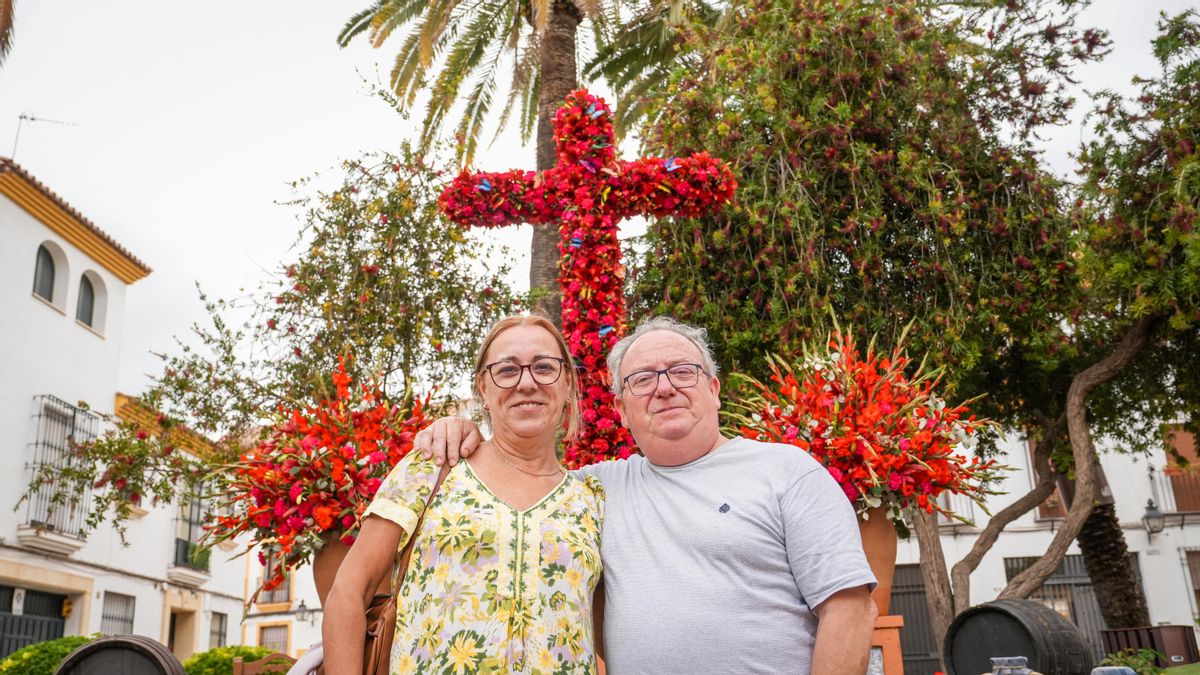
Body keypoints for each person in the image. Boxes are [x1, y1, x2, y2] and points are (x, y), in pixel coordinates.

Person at [420, 316, 878, 674]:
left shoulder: (786, 471)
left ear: (714, 389)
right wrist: (460, 430)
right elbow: (517, 474)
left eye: (682, 371)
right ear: (620, 408)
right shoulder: (591, 491)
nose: (664, 388)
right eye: (641, 380)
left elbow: (850, 608)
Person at [323, 315, 606, 674]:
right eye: (507, 370)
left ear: (567, 383)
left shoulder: (592, 499)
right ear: (483, 388)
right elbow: (349, 591)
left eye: (544, 367)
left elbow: (603, 630)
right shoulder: (434, 467)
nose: (527, 382)